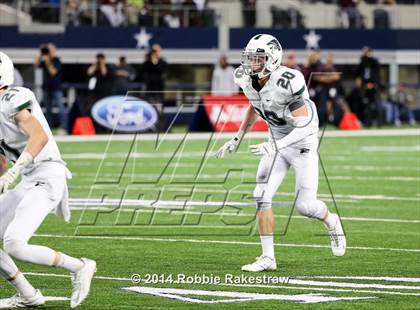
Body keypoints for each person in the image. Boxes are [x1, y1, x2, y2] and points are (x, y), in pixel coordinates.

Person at [215, 34, 346, 272]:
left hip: (302, 143)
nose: (252, 63)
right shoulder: (248, 80)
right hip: (275, 142)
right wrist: (238, 136)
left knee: (305, 207)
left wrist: (276, 145)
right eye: (250, 57)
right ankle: (268, 258)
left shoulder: (289, 80)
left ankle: (332, 221)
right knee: (261, 195)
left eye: (258, 58)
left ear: (272, 59)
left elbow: (304, 125)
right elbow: (255, 107)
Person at [0, 52, 96, 308]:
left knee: (14, 245)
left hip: (47, 174)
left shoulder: (13, 98)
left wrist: (14, 170)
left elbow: (39, 136)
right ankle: (28, 295)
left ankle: (79, 266)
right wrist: (4, 176)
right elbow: (1, 161)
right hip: (29, 179)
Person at [34, 43, 67, 133]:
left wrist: (48, 61)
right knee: (48, 111)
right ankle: (49, 129)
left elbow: (53, 72)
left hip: (56, 89)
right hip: (46, 89)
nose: (49, 51)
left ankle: (64, 128)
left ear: (54, 50)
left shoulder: (57, 60)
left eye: (51, 49)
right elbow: (36, 65)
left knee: (61, 109)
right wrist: (41, 54)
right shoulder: (44, 61)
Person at [356, 47, 381, 126]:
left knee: (377, 105)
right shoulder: (363, 62)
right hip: (366, 87)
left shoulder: (374, 61)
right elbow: (358, 72)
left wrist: (370, 57)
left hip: (374, 86)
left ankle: (379, 122)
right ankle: (367, 122)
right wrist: (363, 84)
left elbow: (376, 66)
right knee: (367, 106)